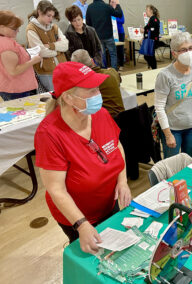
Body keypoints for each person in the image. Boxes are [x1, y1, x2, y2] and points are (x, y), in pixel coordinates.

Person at [34, 61, 132, 253]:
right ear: (69, 98)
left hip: (108, 203)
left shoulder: (101, 114)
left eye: (98, 89)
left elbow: (116, 147)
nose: (99, 95)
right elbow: (56, 189)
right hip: (77, 217)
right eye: (91, 91)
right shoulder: (49, 134)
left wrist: (122, 182)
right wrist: (81, 224)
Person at [154, 32, 192, 158]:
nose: (188, 52)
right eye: (183, 50)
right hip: (173, 129)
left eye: (190, 48)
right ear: (174, 53)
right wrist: (168, 134)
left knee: (188, 162)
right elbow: (159, 107)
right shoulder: (165, 75)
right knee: (172, 167)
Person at [26, 0, 68, 91]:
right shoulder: (31, 29)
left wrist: (50, 46)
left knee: (65, 95)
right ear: (40, 12)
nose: (51, 19)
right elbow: (41, 52)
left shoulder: (54, 27)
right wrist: (59, 50)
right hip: (46, 72)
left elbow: (65, 45)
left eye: (52, 16)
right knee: (53, 98)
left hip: (62, 67)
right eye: (48, 16)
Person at [71, 49, 125, 118]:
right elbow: (119, 79)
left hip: (106, 122)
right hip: (123, 119)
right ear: (92, 61)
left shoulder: (81, 86)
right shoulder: (111, 72)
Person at [0, 11, 40, 101]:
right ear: (1, 27)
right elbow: (13, 71)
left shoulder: (6, 41)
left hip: (14, 88)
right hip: (16, 89)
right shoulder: (6, 45)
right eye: (14, 28)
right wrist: (33, 61)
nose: (17, 30)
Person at [86, 0, 122, 70]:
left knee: (102, 56)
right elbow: (119, 14)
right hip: (108, 35)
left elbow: (88, 23)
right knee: (113, 54)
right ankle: (114, 71)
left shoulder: (90, 7)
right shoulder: (106, 6)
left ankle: (104, 72)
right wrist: (117, 4)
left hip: (97, 36)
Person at [142, 5, 160, 70]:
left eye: (147, 10)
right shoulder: (151, 19)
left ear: (151, 11)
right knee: (148, 56)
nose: (146, 12)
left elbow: (152, 30)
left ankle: (154, 69)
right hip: (149, 41)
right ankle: (154, 68)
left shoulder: (154, 19)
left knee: (149, 56)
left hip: (152, 41)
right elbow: (148, 28)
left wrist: (144, 30)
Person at [110, 0, 125, 70]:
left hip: (120, 32)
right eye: (112, 2)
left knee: (120, 49)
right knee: (113, 50)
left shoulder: (119, 10)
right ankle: (115, 65)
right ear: (109, 3)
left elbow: (122, 21)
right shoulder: (108, 10)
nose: (113, 3)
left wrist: (114, 19)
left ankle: (121, 64)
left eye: (114, 2)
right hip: (111, 33)